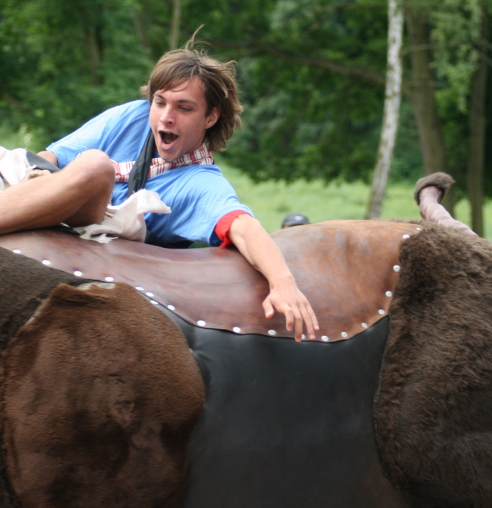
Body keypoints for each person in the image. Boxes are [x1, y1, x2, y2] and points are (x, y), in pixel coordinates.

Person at [0, 43, 319, 342]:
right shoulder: (133, 116)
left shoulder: (201, 184)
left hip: (101, 232)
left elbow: (244, 227)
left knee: (96, 165)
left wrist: (283, 282)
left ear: (210, 117)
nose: (166, 117)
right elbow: (49, 159)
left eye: (184, 108)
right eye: (160, 102)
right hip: (43, 191)